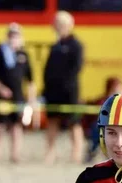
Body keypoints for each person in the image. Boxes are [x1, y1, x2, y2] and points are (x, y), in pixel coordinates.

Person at [0, 23, 36, 163]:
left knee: (16, 125)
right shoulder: (0, 52)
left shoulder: (24, 55)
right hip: (1, 96)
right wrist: (1, 88)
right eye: (11, 35)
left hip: (18, 95)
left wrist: (31, 98)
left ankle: (15, 155)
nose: (13, 38)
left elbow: (30, 79)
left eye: (16, 36)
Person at [43, 10, 84, 164]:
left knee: (74, 123)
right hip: (53, 92)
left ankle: (76, 154)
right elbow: (48, 70)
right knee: (52, 122)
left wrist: (65, 84)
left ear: (68, 25)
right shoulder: (55, 46)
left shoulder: (75, 45)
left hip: (69, 92)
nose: (57, 27)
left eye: (59, 24)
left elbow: (76, 68)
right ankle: (50, 154)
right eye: (56, 24)